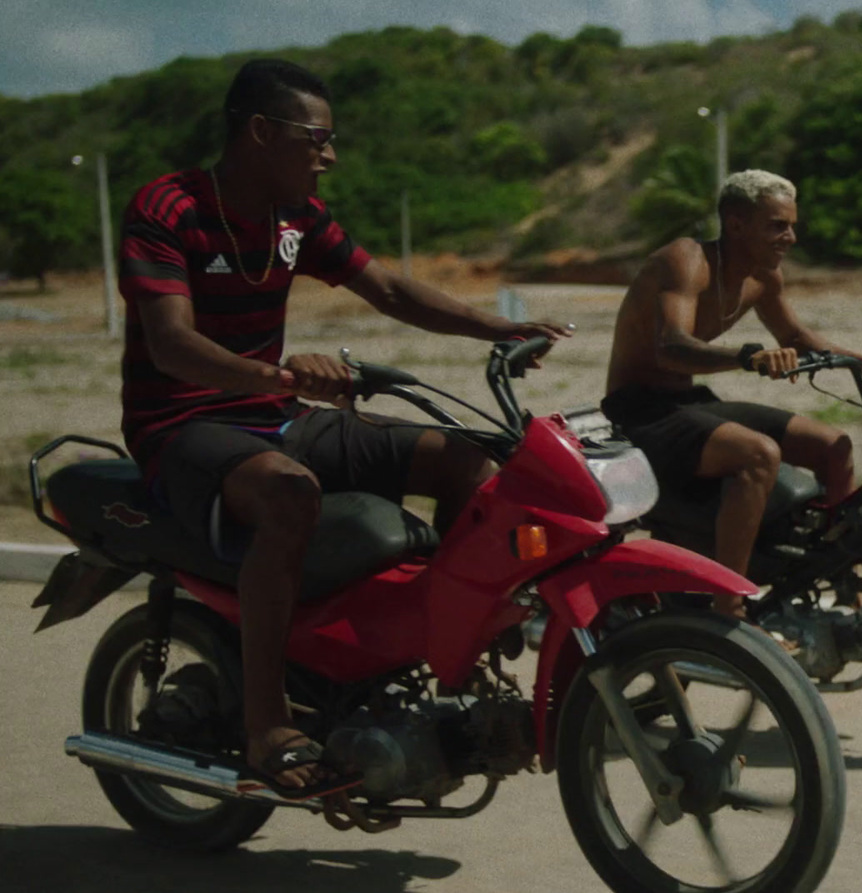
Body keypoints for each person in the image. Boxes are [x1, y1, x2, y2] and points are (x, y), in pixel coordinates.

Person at [118, 59, 569, 794]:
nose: (329, 155)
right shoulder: (169, 208)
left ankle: (445, 661)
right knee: (289, 493)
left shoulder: (297, 218)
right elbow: (171, 343)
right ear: (261, 133)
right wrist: (280, 376)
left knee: (469, 460)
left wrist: (501, 327)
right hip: (183, 423)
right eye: (316, 139)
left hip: (276, 413)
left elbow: (386, 287)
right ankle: (267, 722)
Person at [601, 170, 862, 617]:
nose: (789, 237)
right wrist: (748, 356)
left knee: (834, 447)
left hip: (690, 403)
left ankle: (834, 572)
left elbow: (797, 336)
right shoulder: (686, 261)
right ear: (735, 223)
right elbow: (671, 348)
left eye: (791, 225)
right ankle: (728, 603)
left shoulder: (764, 278)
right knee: (758, 454)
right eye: (776, 225)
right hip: (640, 408)